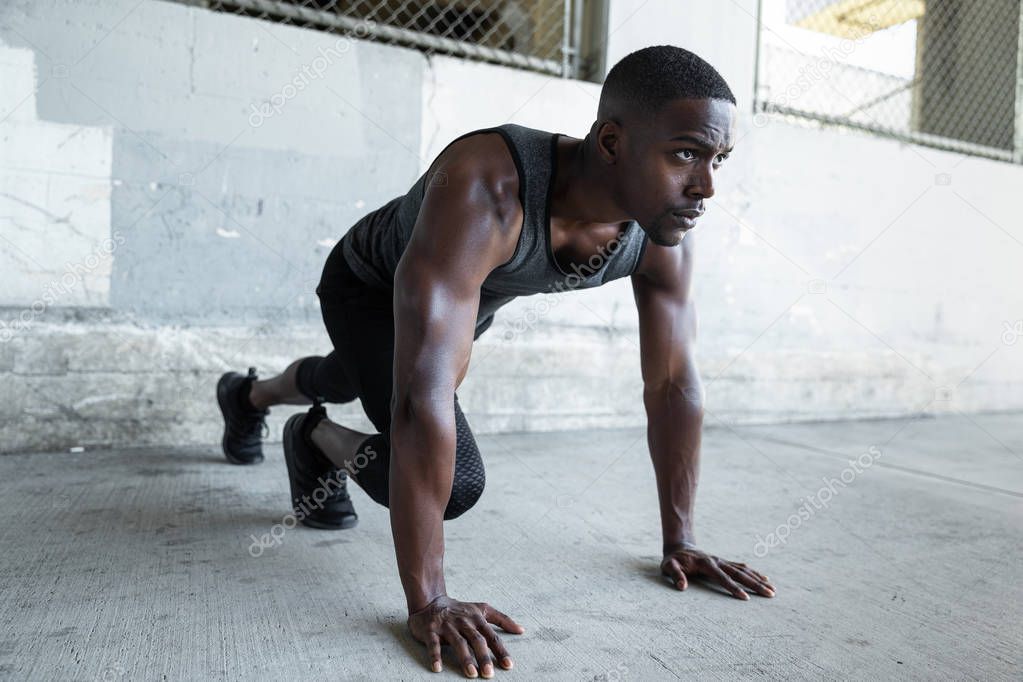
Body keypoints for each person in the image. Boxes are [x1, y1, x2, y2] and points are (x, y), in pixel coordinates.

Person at [216, 44, 776, 678]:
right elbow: (418, 400)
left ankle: (250, 397)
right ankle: (315, 436)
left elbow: (673, 384)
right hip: (368, 285)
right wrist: (428, 600)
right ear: (613, 143)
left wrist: (682, 540)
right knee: (448, 472)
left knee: (350, 374)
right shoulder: (490, 184)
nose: (706, 186)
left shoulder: (659, 226)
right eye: (684, 154)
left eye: (717, 159)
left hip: (462, 297)